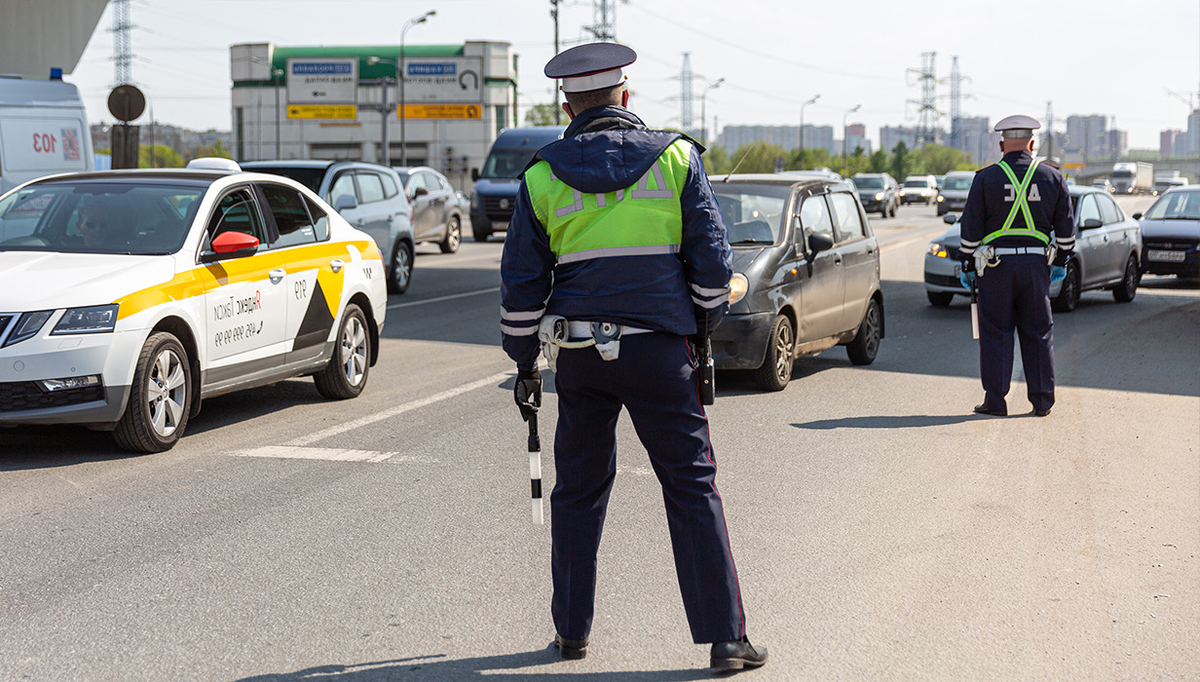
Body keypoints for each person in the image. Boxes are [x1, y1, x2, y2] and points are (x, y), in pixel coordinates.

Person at [499, 42, 767, 671]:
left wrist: (523, 363)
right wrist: (701, 324)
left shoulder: (540, 176)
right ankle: (726, 639)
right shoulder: (676, 158)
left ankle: (571, 634)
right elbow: (712, 267)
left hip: (582, 357)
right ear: (625, 96)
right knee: (691, 485)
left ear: (567, 104)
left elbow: (521, 286)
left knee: (577, 494)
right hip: (660, 354)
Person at [959, 115, 1075, 417]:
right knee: (1038, 332)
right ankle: (1042, 402)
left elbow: (970, 229)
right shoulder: (1052, 177)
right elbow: (1066, 232)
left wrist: (967, 263)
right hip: (1036, 267)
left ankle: (996, 402)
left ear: (1001, 145)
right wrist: (1060, 262)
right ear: (1032, 144)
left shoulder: (986, 178)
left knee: (996, 332)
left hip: (996, 267)